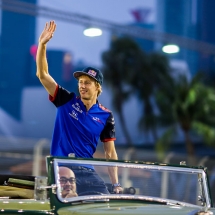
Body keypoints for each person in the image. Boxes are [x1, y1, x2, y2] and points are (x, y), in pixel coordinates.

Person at [36, 20, 123, 194]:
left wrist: (115, 184)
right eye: (80, 82)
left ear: (98, 87)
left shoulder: (106, 116)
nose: (82, 86)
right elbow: (42, 74)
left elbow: (110, 153)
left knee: (105, 204)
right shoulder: (66, 100)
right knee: (67, 201)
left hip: (87, 171)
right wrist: (42, 45)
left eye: (87, 83)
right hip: (62, 168)